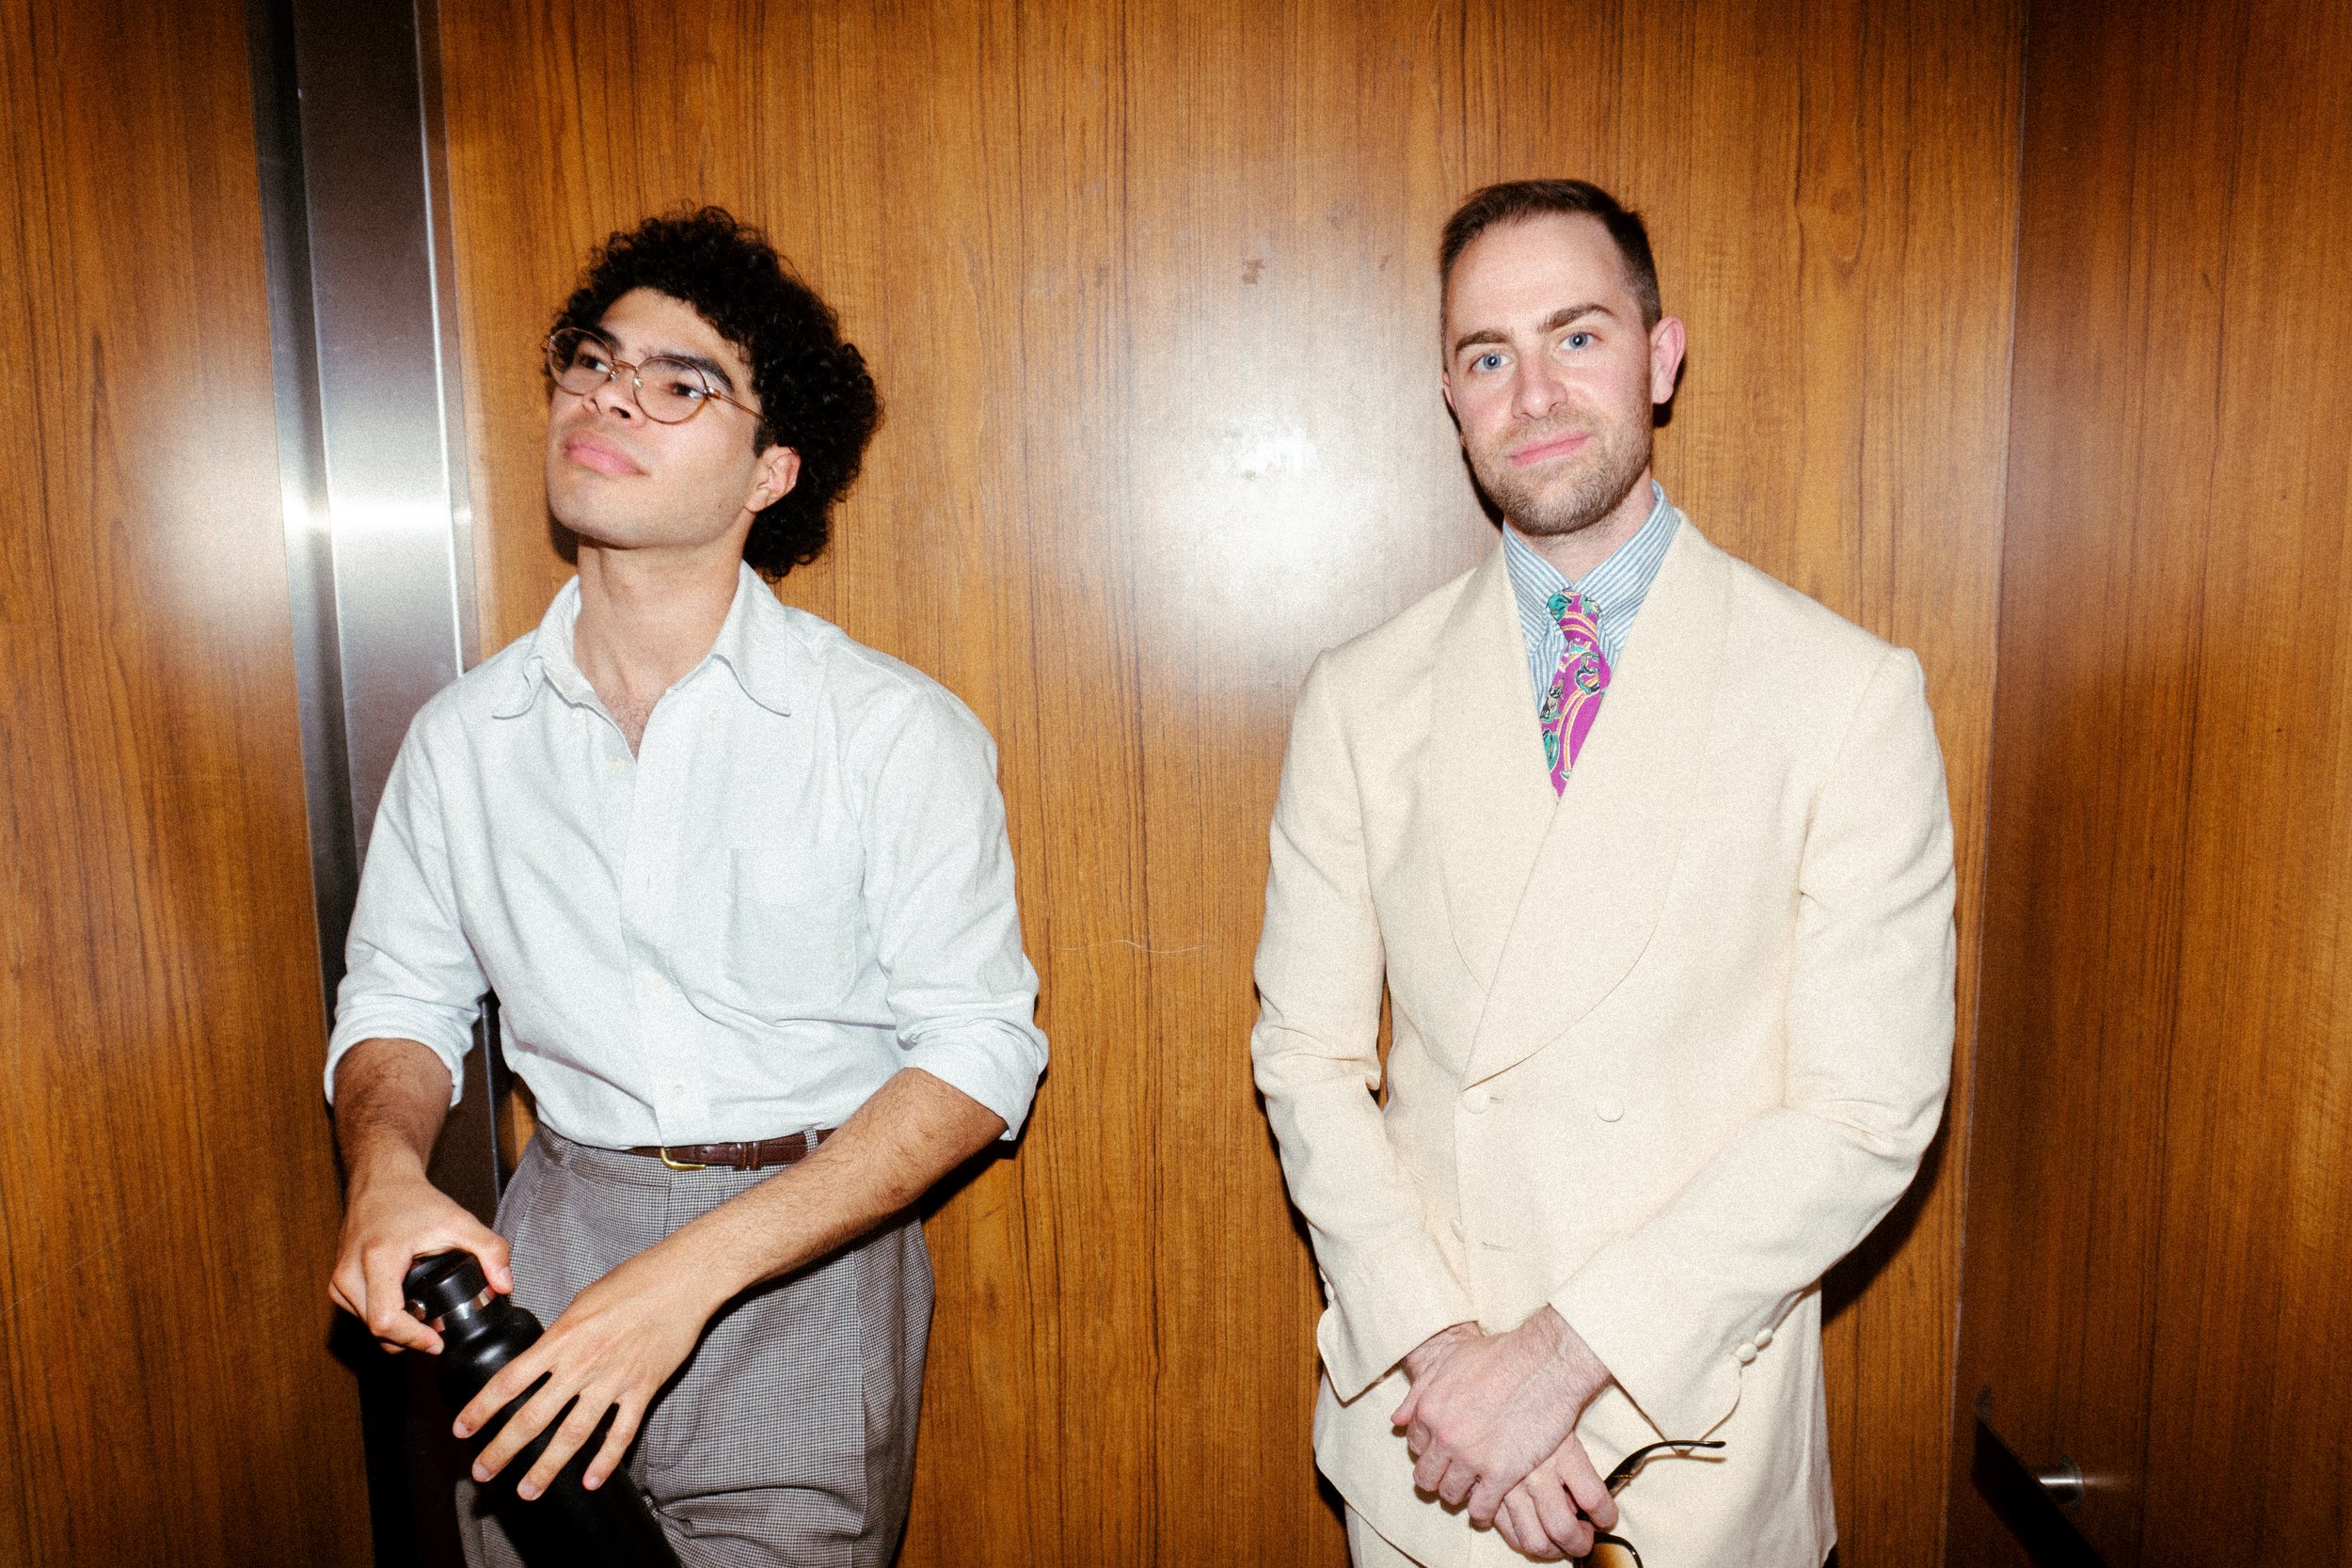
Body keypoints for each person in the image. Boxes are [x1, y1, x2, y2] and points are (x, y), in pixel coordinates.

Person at [324, 208, 1047, 1568]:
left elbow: (979, 1055)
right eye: (594, 359)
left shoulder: (890, 731)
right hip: (545, 1242)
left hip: (805, 1262)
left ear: (771, 471)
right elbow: (403, 1000)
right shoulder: (461, 737)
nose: (609, 395)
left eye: (680, 382)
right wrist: (386, 1172)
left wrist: (689, 1278)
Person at [1249, 179, 1955, 1567]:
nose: (1534, 393)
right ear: (1451, 398)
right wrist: (1461, 1365)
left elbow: (1867, 1111)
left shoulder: (1844, 694)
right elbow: (1307, 1056)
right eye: (1487, 356)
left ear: (1661, 354)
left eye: (1577, 336)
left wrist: (1565, 1363)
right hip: (1431, 1450)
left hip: (1692, 1453)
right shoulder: (1358, 696)